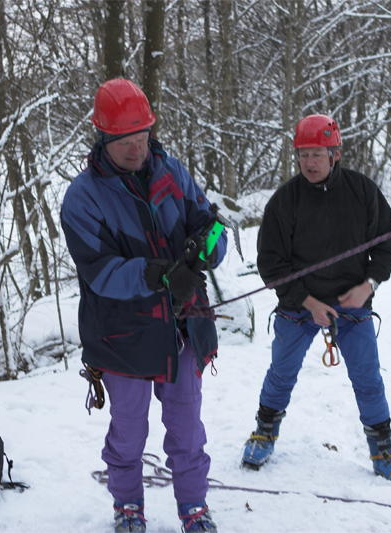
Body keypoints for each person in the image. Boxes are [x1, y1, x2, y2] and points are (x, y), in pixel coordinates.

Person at [61, 78, 226, 532]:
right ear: (102, 138)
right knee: (129, 432)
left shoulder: (171, 171)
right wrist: (159, 275)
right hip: (122, 335)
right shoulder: (83, 198)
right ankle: (127, 505)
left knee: (187, 429)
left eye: (142, 136)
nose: (137, 148)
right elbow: (99, 271)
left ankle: (194, 507)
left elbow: (213, 225)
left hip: (183, 327)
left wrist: (204, 250)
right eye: (124, 140)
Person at [241, 113, 391, 483]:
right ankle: (264, 431)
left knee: (367, 376)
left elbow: (387, 246)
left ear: (335, 153)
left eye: (317, 154)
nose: (310, 163)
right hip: (299, 305)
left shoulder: (362, 191)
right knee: (282, 372)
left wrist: (369, 285)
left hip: (352, 303)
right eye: (303, 155)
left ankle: (382, 447)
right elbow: (271, 264)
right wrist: (308, 302)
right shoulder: (285, 202)